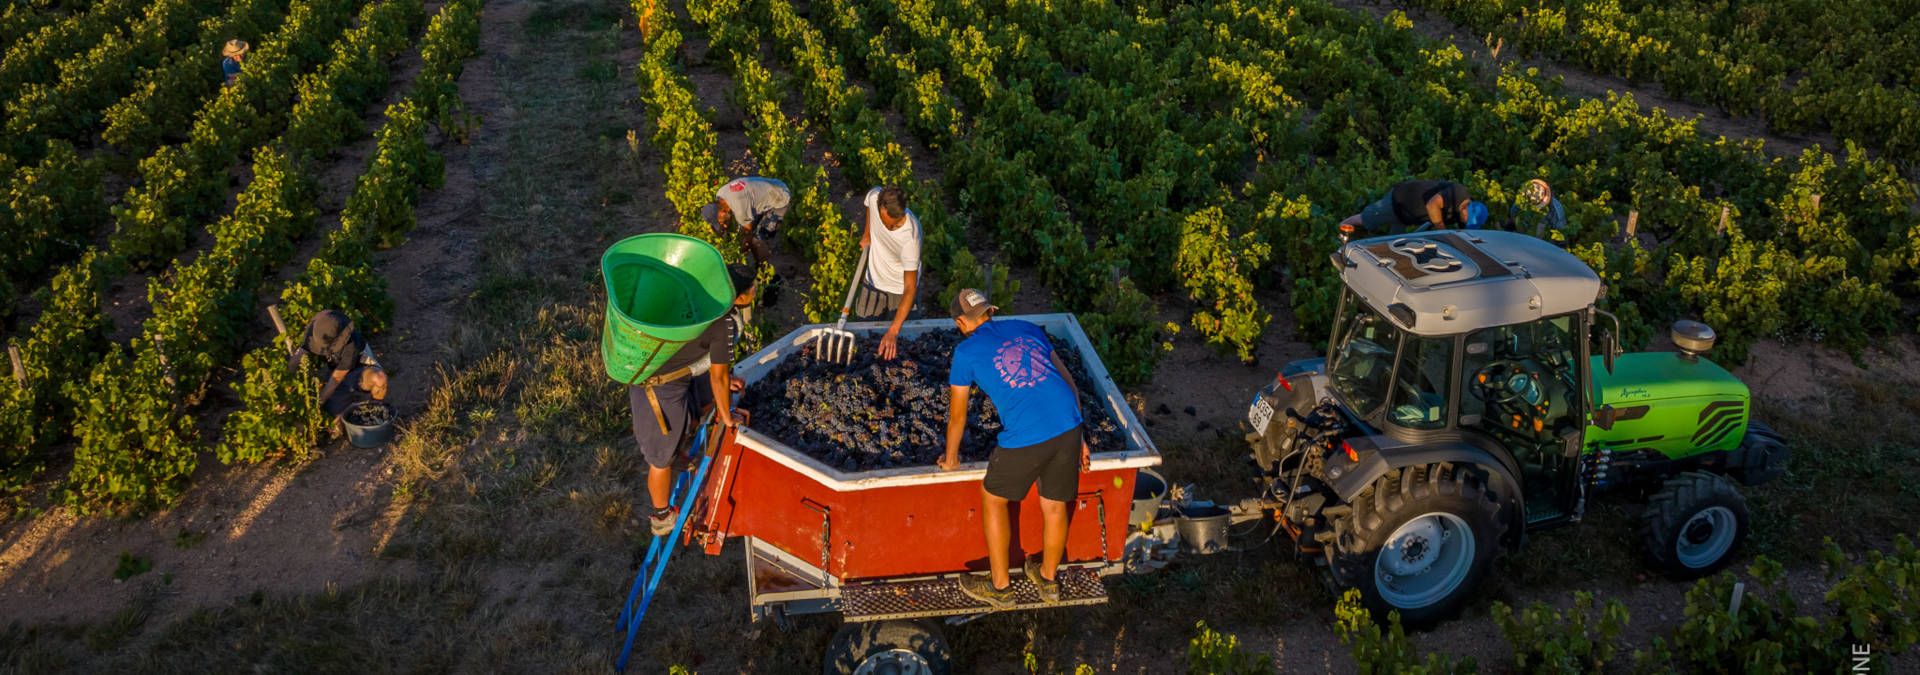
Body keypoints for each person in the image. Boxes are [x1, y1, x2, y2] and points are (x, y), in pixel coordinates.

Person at [939, 289, 1089, 608]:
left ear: (960, 322)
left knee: (993, 498)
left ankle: (1000, 587)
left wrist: (951, 458)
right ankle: (1048, 580)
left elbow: (958, 415)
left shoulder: (966, 352)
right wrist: (1081, 436)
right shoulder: (1027, 328)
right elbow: (1067, 381)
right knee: (1054, 504)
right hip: (1068, 425)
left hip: (1027, 435)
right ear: (989, 311)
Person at [629, 264, 756, 535]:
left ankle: (677, 453)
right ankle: (661, 517)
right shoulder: (724, 324)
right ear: (740, 297)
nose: (756, 289)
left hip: (671, 378)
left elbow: (708, 363)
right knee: (658, 460)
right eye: (752, 287)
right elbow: (718, 378)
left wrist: (724, 381)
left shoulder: (706, 305)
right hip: (657, 388)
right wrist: (727, 416)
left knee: (694, 410)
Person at [855, 185, 921, 360]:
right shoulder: (875, 198)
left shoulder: (910, 237)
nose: (887, 226)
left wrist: (893, 330)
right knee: (863, 341)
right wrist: (867, 233)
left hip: (900, 291)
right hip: (874, 281)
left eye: (892, 224)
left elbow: (910, 288)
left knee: (902, 347)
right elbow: (869, 202)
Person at [289, 309, 389, 424]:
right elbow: (298, 356)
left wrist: (315, 407)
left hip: (361, 369)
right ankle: (355, 405)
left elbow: (335, 381)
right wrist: (287, 385)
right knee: (333, 411)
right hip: (338, 373)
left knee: (379, 379)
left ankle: (376, 409)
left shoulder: (351, 345)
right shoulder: (317, 330)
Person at [1339, 179, 1485, 239]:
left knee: (1394, 247)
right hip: (1400, 201)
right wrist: (1442, 230)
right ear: (1466, 208)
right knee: (1365, 219)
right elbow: (1432, 204)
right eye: (1468, 220)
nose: (1466, 223)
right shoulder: (1457, 193)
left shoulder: (1465, 211)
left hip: (1408, 216)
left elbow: (1463, 233)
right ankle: (1340, 229)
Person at [701, 176, 787, 267]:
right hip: (769, 186)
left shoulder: (739, 208)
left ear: (721, 213)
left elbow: (747, 233)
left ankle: (764, 267)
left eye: (721, 222)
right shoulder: (720, 194)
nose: (724, 226)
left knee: (758, 239)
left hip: (780, 197)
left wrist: (741, 249)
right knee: (750, 225)